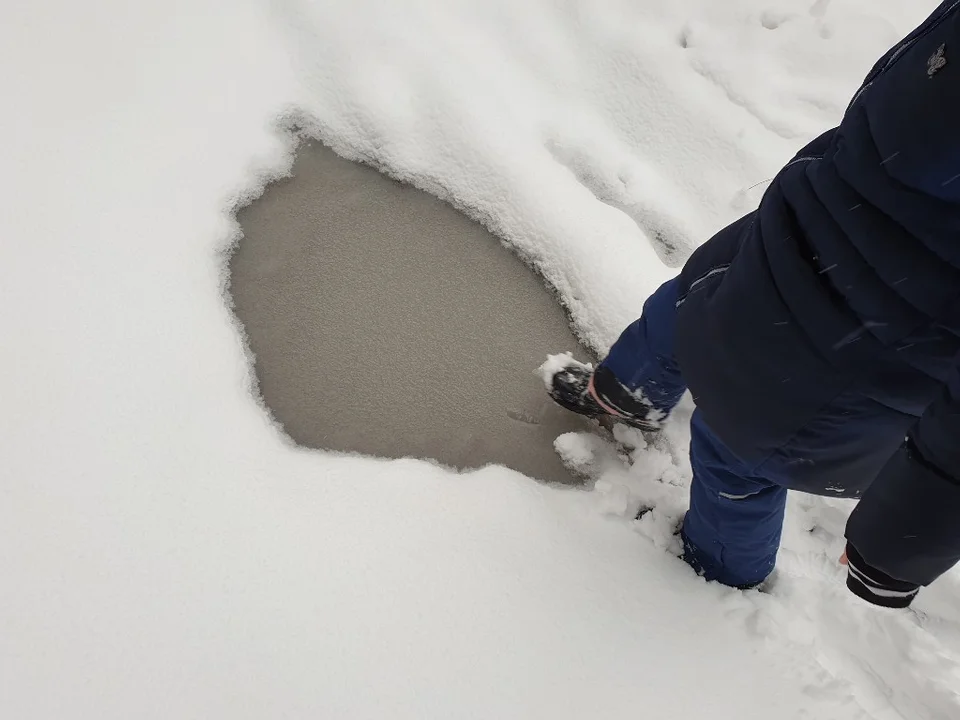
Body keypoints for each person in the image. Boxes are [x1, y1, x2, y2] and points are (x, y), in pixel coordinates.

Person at [547, 1, 960, 609]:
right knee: (687, 302)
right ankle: (627, 392)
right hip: (800, 230)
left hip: (853, 360)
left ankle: (720, 577)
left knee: (738, 458)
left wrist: (896, 546)